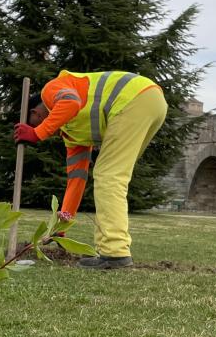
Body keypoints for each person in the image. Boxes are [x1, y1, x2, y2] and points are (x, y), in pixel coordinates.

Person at [14, 69, 167, 269]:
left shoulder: (51, 90)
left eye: (31, 123)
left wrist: (36, 133)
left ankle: (115, 254)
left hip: (134, 98)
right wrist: (60, 227)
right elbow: (76, 182)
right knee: (113, 176)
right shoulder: (72, 134)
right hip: (150, 101)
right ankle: (113, 252)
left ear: (34, 113)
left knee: (108, 175)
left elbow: (70, 102)